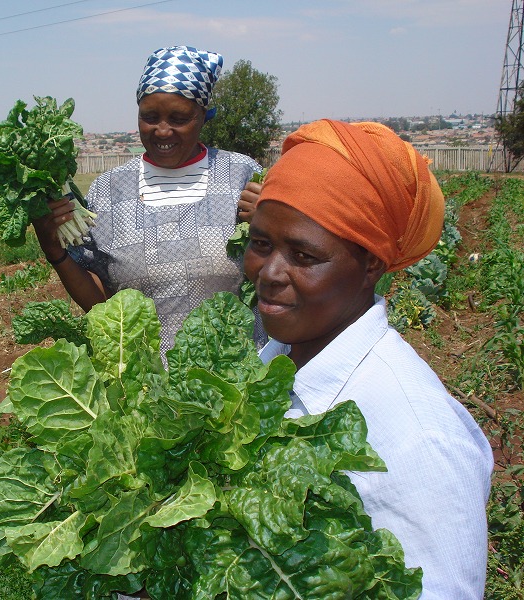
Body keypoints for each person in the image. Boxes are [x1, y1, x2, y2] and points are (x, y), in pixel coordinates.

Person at [241, 119, 494, 598]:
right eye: (261, 244)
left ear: (372, 263)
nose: (269, 272)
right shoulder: (273, 361)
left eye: (303, 256)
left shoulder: (419, 438)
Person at [33, 45, 267, 355]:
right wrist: (54, 250)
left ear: (202, 116)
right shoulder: (108, 191)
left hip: (239, 374)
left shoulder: (241, 175)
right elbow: (101, 303)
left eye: (179, 118)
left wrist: (272, 223)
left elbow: (287, 266)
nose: (163, 131)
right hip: (146, 379)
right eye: (150, 117)